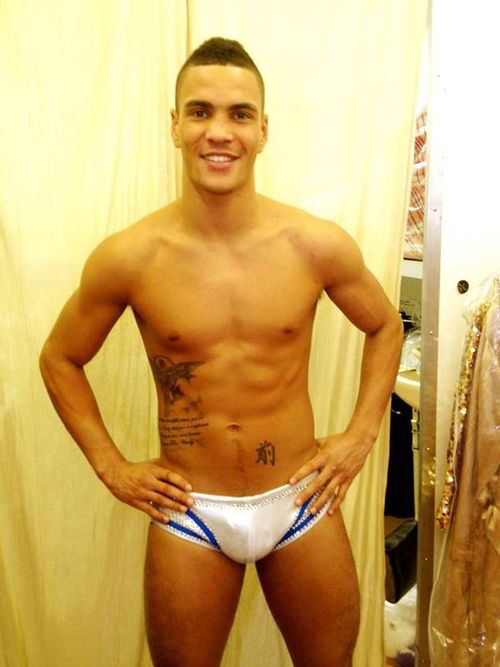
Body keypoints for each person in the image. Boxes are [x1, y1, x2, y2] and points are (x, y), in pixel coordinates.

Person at [39, 37, 403, 667]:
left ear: (263, 131)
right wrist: (112, 466)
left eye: (239, 114)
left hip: (298, 501)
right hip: (192, 513)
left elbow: (385, 326)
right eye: (200, 111)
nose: (218, 131)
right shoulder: (130, 256)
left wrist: (359, 436)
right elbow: (59, 358)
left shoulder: (315, 244)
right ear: (174, 125)